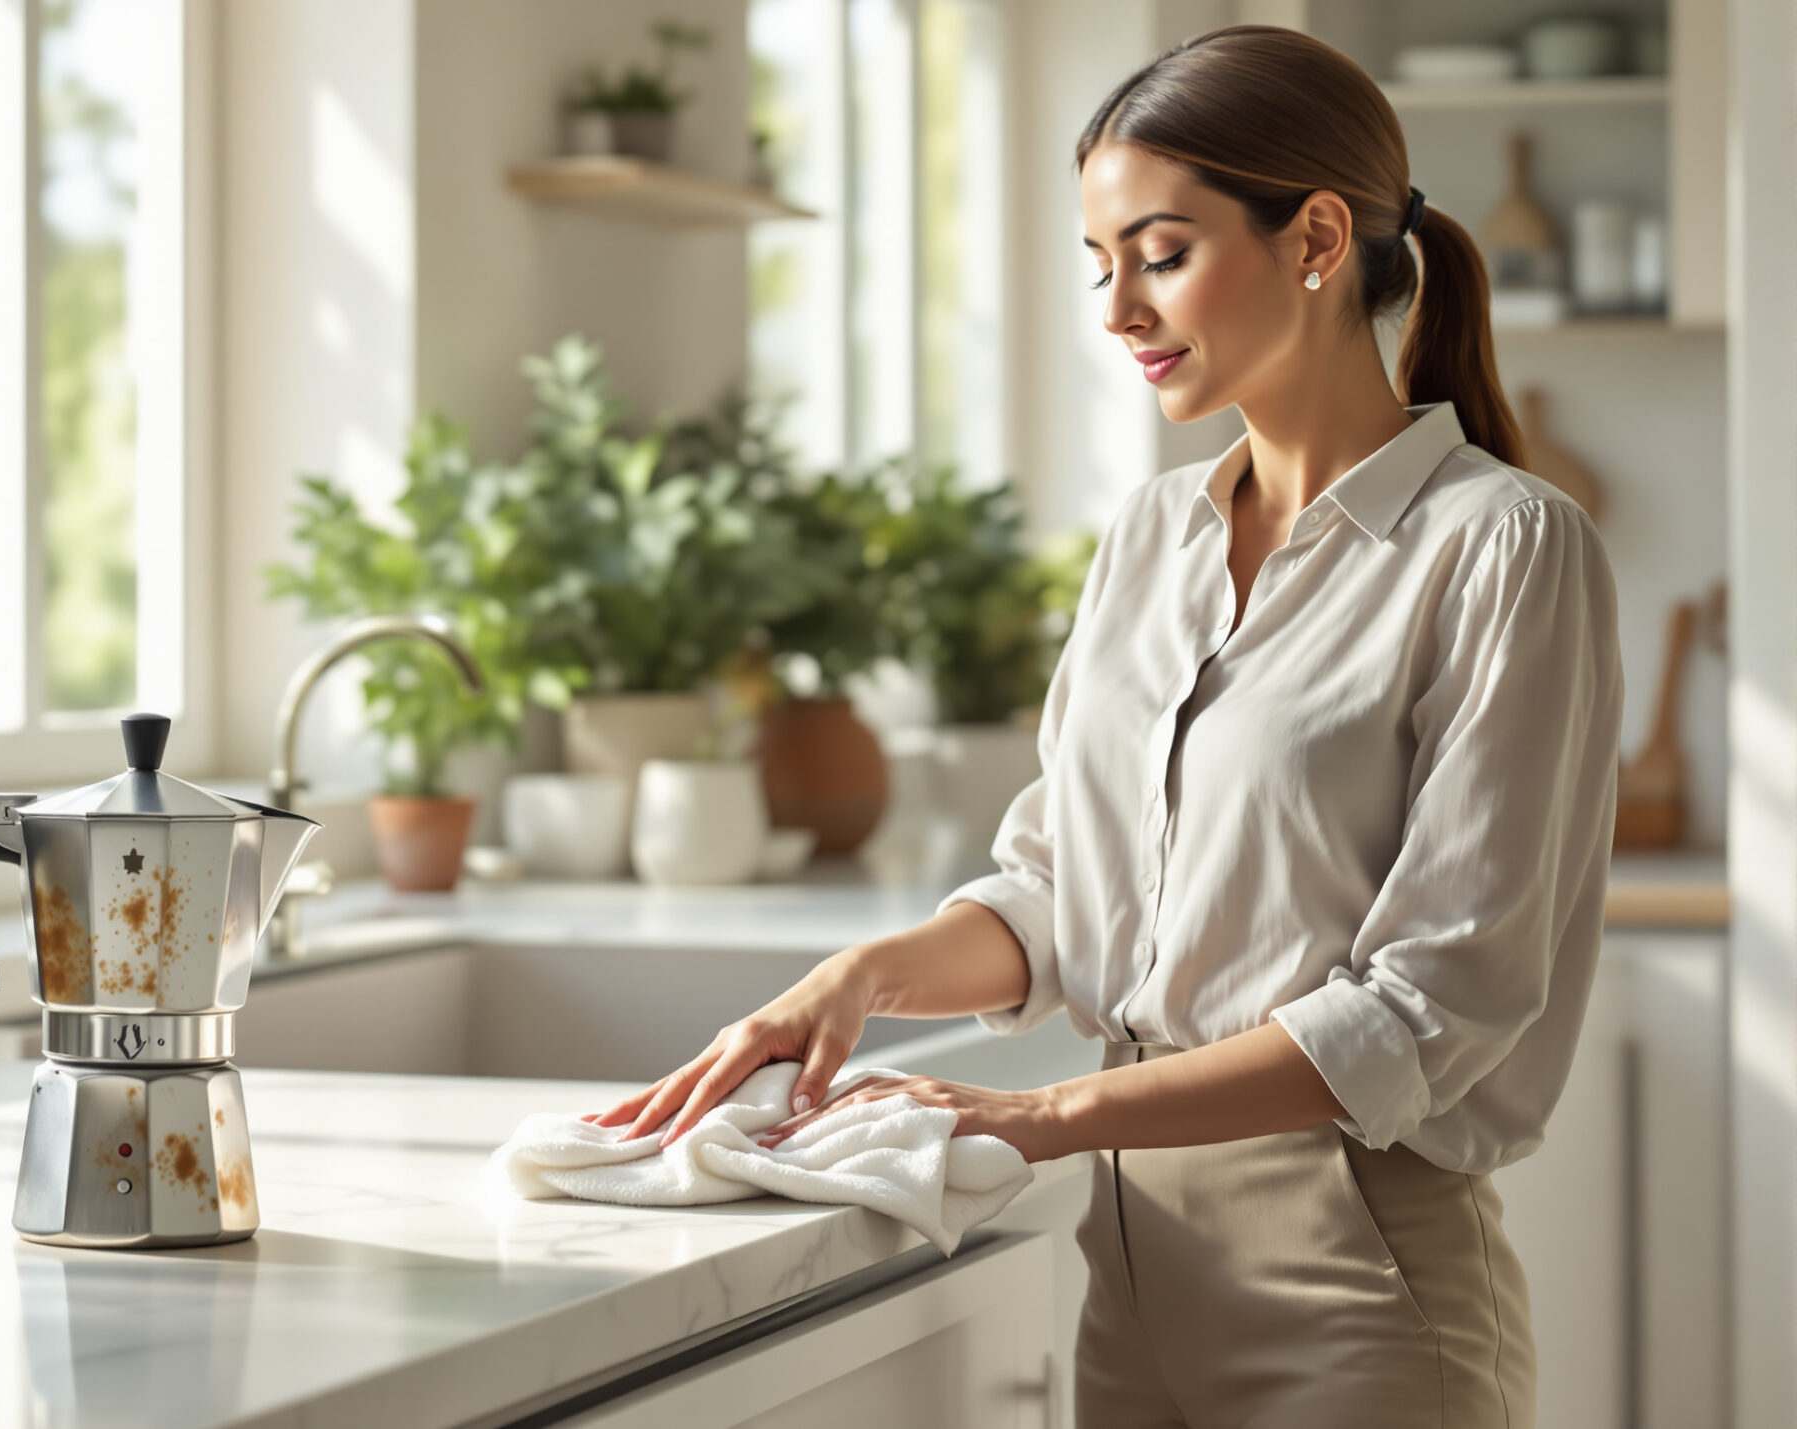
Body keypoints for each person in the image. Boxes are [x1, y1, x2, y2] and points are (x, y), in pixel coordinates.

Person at [588, 25, 1624, 1428]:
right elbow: (1068, 891)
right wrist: (856, 976)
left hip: (1358, 1285)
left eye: (1161, 252)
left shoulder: (1504, 549)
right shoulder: (1153, 537)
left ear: (1318, 237)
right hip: (1130, 1281)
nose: (1120, 307)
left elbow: (1430, 1004)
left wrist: (1041, 1115)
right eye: (1100, 265)